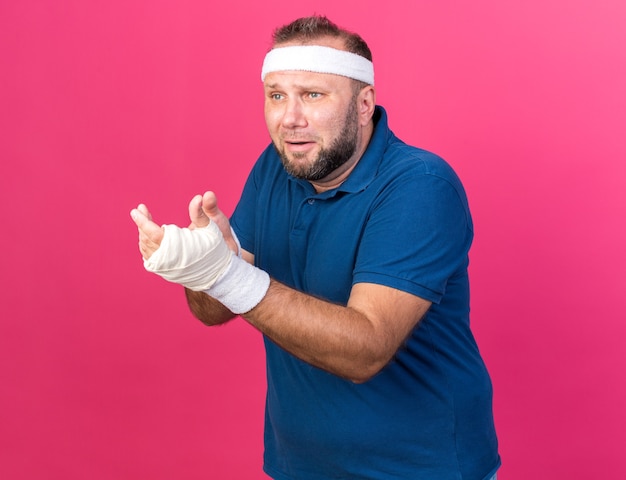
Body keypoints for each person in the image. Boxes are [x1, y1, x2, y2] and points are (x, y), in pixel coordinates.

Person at [130, 15, 500, 480]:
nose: (290, 119)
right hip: (298, 467)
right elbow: (213, 310)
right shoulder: (276, 168)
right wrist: (201, 267)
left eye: (313, 95)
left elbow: (364, 350)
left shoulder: (419, 186)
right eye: (277, 95)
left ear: (364, 104)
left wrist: (228, 275)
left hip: (420, 469)